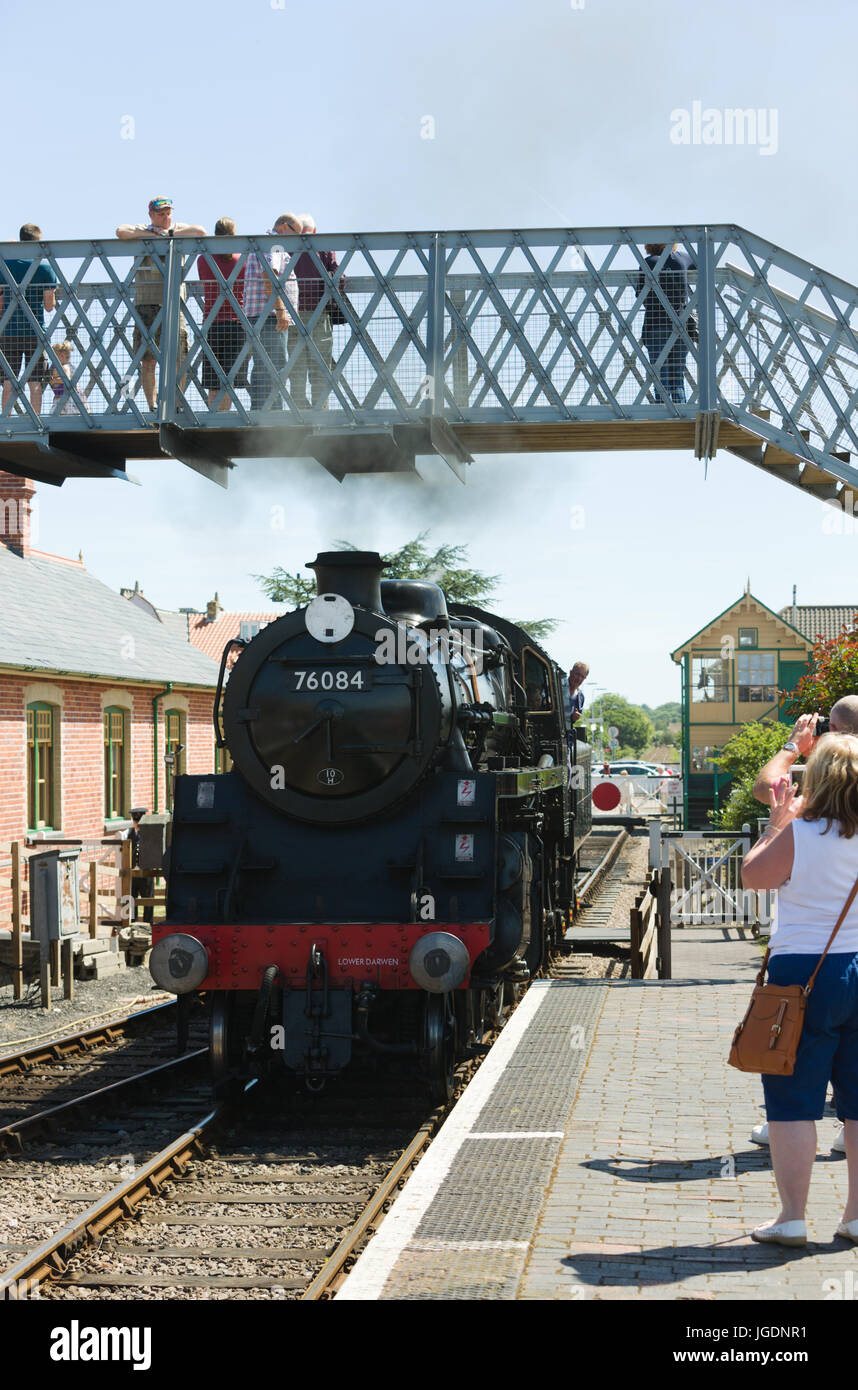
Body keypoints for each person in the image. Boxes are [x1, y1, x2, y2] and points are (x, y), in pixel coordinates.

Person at [741, 736, 858, 1246]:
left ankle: (792, 1217)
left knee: (792, 1099)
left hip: (802, 975)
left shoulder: (800, 832)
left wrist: (776, 823)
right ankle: (855, 1217)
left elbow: (752, 878)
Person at [116, 199, 207, 412]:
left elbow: (201, 232)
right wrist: (152, 236)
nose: (165, 218)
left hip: (175, 304)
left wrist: (170, 235)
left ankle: (175, 404)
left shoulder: (179, 229)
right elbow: (120, 231)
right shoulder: (143, 230)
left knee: (179, 358)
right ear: (151, 214)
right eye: (160, 214)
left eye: (167, 213)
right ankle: (152, 406)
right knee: (147, 361)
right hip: (146, 303)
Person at [242, 213, 301, 410]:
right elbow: (269, 274)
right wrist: (280, 309)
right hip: (269, 317)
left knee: (262, 366)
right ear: (285, 227)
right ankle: (272, 414)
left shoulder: (263, 243)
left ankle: (260, 410)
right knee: (275, 367)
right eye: (296, 234)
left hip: (260, 315)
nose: (296, 240)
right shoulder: (275, 244)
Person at [287, 214, 344, 409]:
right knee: (320, 369)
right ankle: (321, 412)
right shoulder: (324, 248)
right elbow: (339, 277)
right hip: (319, 315)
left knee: (296, 370)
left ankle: (299, 413)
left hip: (292, 315)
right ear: (315, 230)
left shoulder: (287, 247)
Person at [0, 224, 58, 415]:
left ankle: (6, 419)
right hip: (35, 331)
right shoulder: (44, 268)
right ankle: (36, 420)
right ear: (38, 240)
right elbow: (49, 306)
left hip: (9, 331)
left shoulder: (5, 266)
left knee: (8, 382)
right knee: (35, 382)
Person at [634, 242, 695, 404]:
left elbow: (640, 294)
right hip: (680, 325)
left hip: (656, 325)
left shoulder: (648, 263)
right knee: (677, 376)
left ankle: (664, 410)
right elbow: (700, 262)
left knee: (660, 376)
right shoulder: (682, 258)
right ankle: (679, 411)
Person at [197, 218, 246, 411]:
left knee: (213, 381)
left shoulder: (204, 259)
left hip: (212, 322)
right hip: (237, 322)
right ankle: (226, 416)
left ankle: (215, 418)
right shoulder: (241, 258)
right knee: (229, 380)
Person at [49, 339, 89, 415]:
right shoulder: (71, 366)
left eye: (53, 358)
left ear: (61, 355)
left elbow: (67, 380)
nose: (52, 361)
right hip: (75, 397)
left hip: (67, 398)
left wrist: (54, 381)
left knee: (54, 416)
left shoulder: (65, 367)